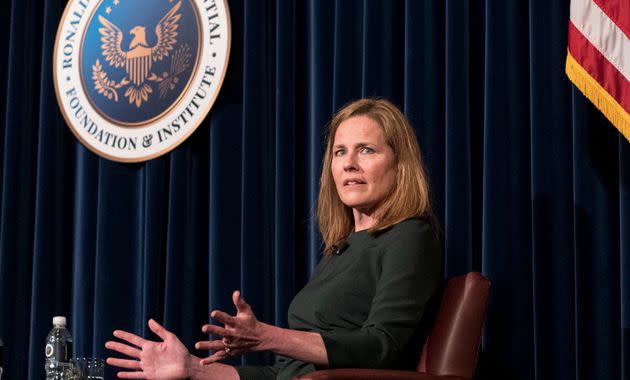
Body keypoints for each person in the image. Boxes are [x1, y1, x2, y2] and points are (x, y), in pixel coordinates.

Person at [105, 98, 442, 380]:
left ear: (399, 165)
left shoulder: (410, 236)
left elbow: (383, 348)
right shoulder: (341, 249)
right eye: (340, 152)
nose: (349, 164)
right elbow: (284, 374)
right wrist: (193, 368)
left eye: (366, 150)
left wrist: (268, 336)